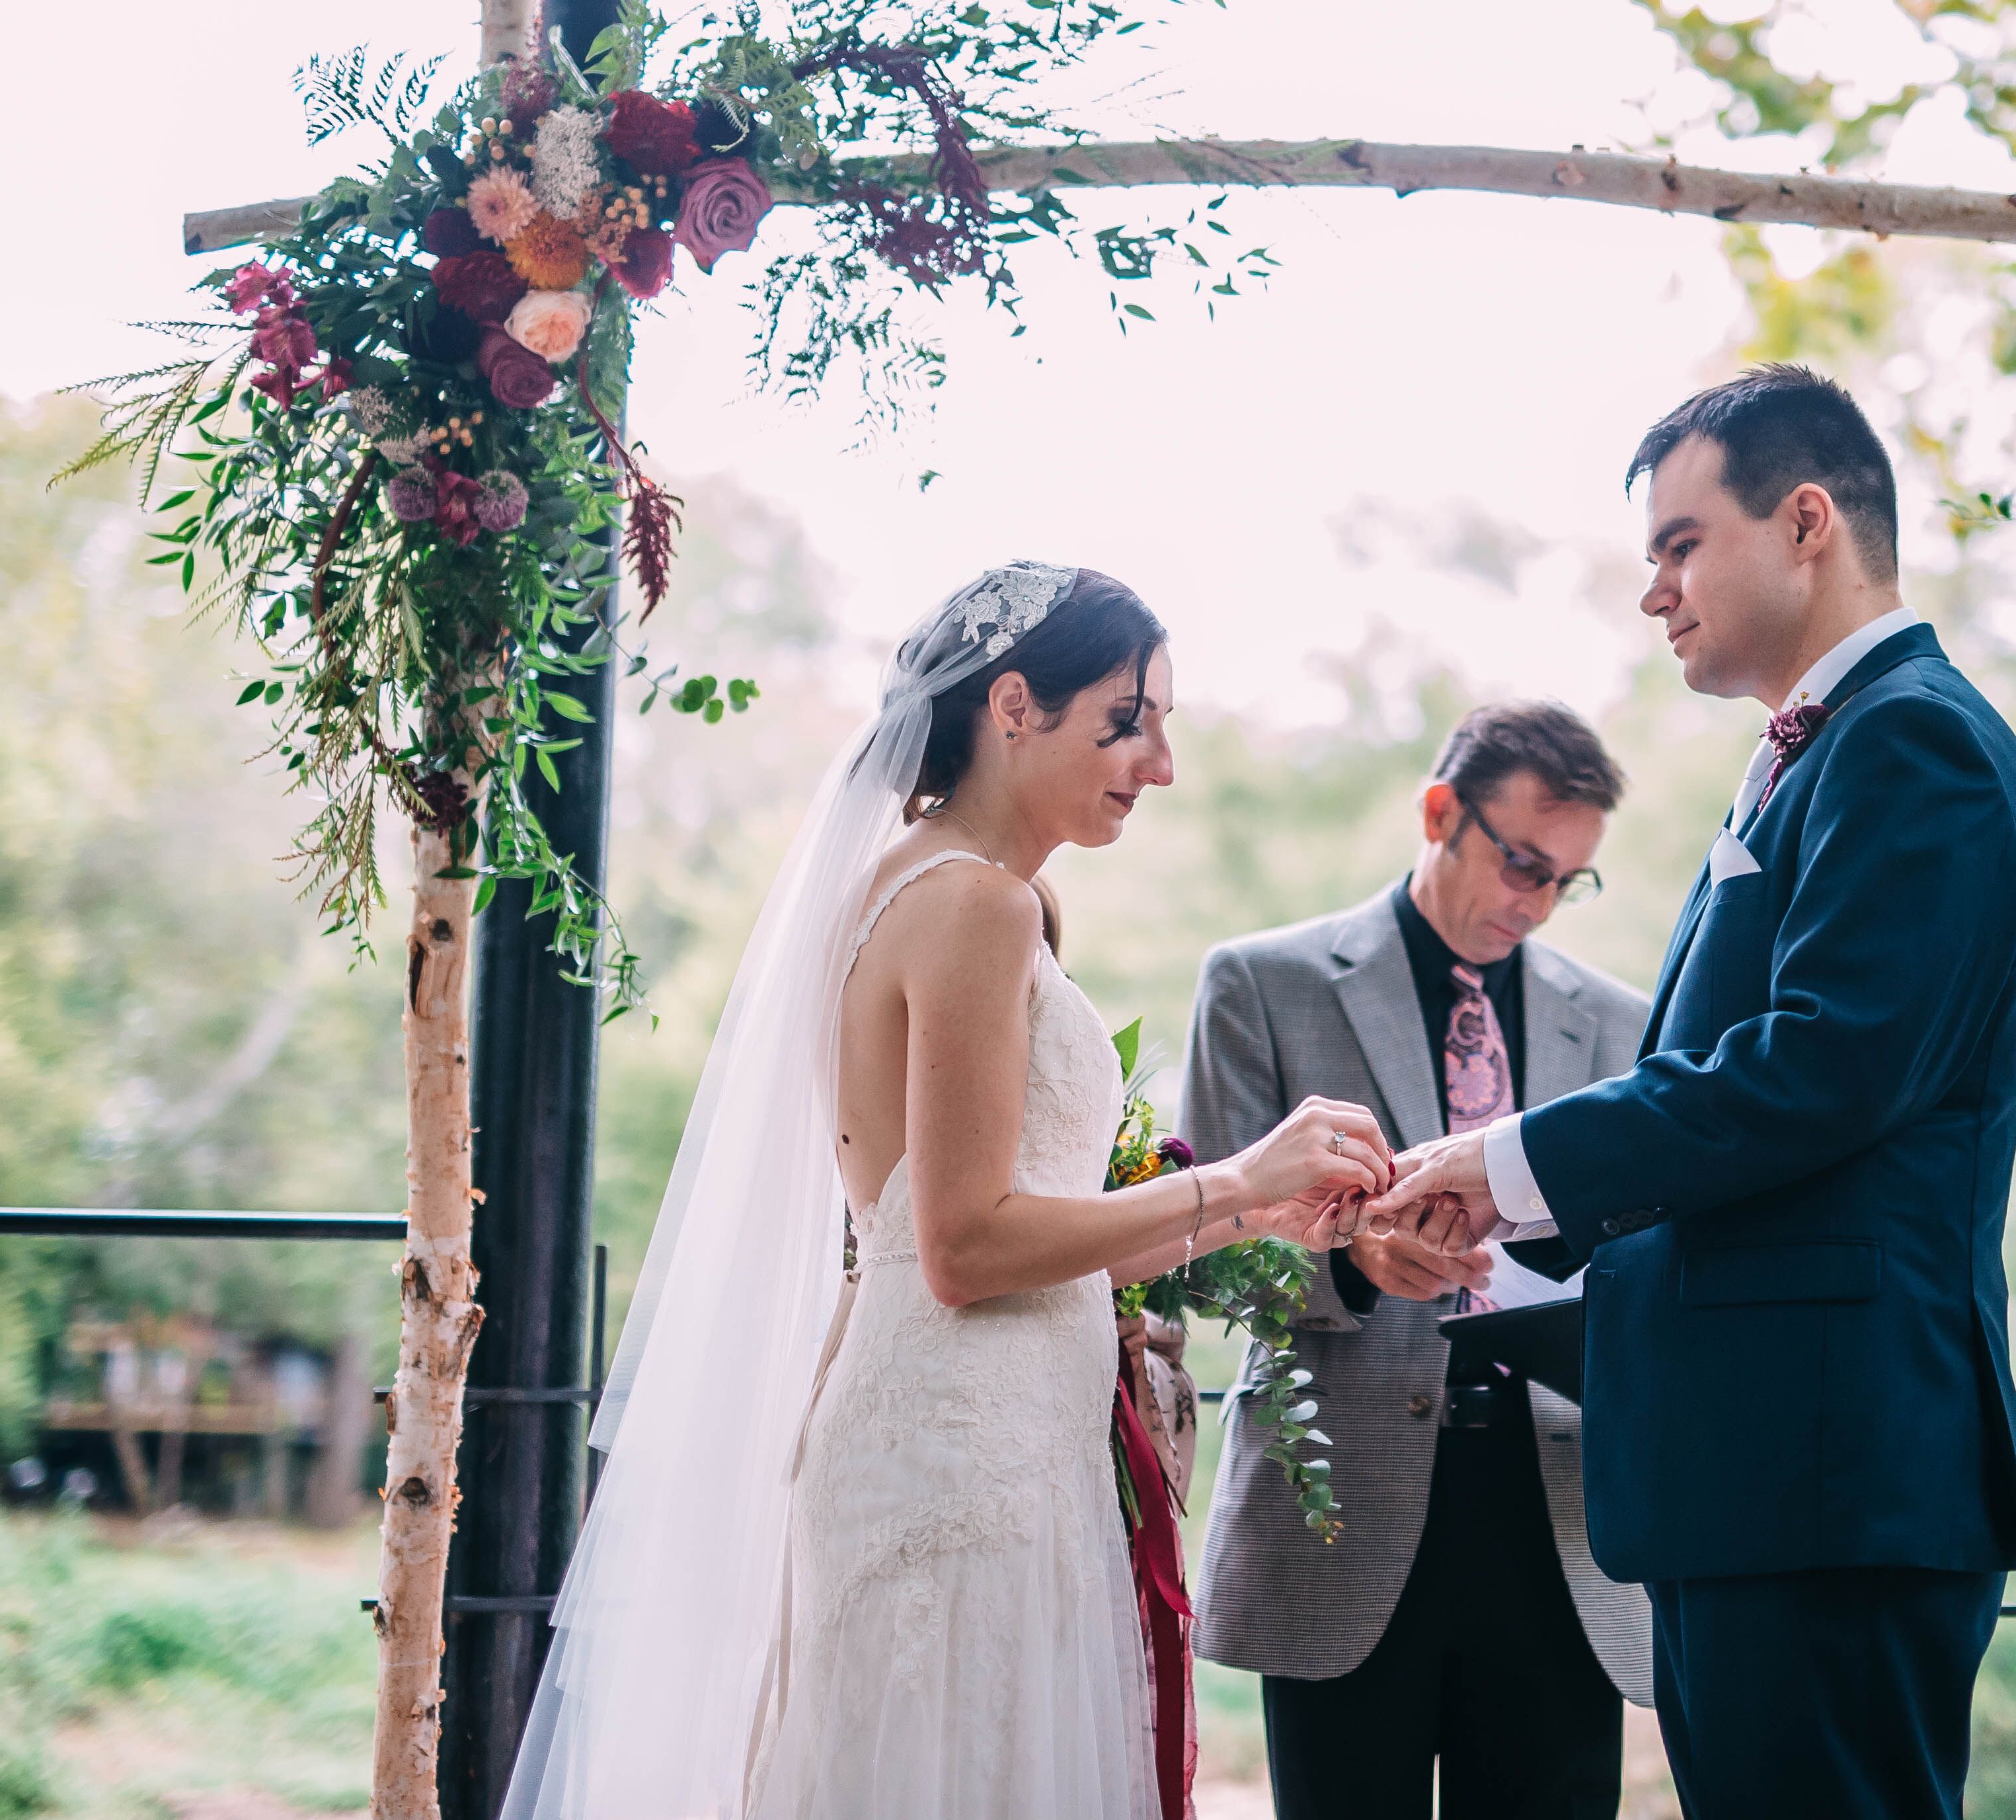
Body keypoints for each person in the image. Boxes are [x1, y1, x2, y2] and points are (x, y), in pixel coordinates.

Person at [498, 564, 1393, 1820]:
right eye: (1128, 721)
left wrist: (1257, 1210)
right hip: (966, 1462)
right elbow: (965, 1245)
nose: (1161, 763)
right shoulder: (974, 902)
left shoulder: (933, 885)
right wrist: (1238, 1173)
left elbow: (996, 1229)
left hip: (984, 1430)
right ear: (1014, 704)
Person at [1374, 368, 2016, 1820]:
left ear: (1805, 520)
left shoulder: (1909, 742)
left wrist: (1500, 1163)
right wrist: (1504, 1240)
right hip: (1766, 1468)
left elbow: (1814, 1071)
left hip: (1827, 1473)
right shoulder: (1819, 751)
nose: (1655, 592)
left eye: (1680, 545)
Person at [1184, 703, 1655, 1820]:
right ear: (1441, 812)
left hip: (1560, 1523)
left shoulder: (1624, 1024)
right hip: (1342, 1514)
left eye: (1567, 882)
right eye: (1522, 864)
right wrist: (1350, 1265)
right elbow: (1203, 1257)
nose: (1534, 905)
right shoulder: (1262, 985)